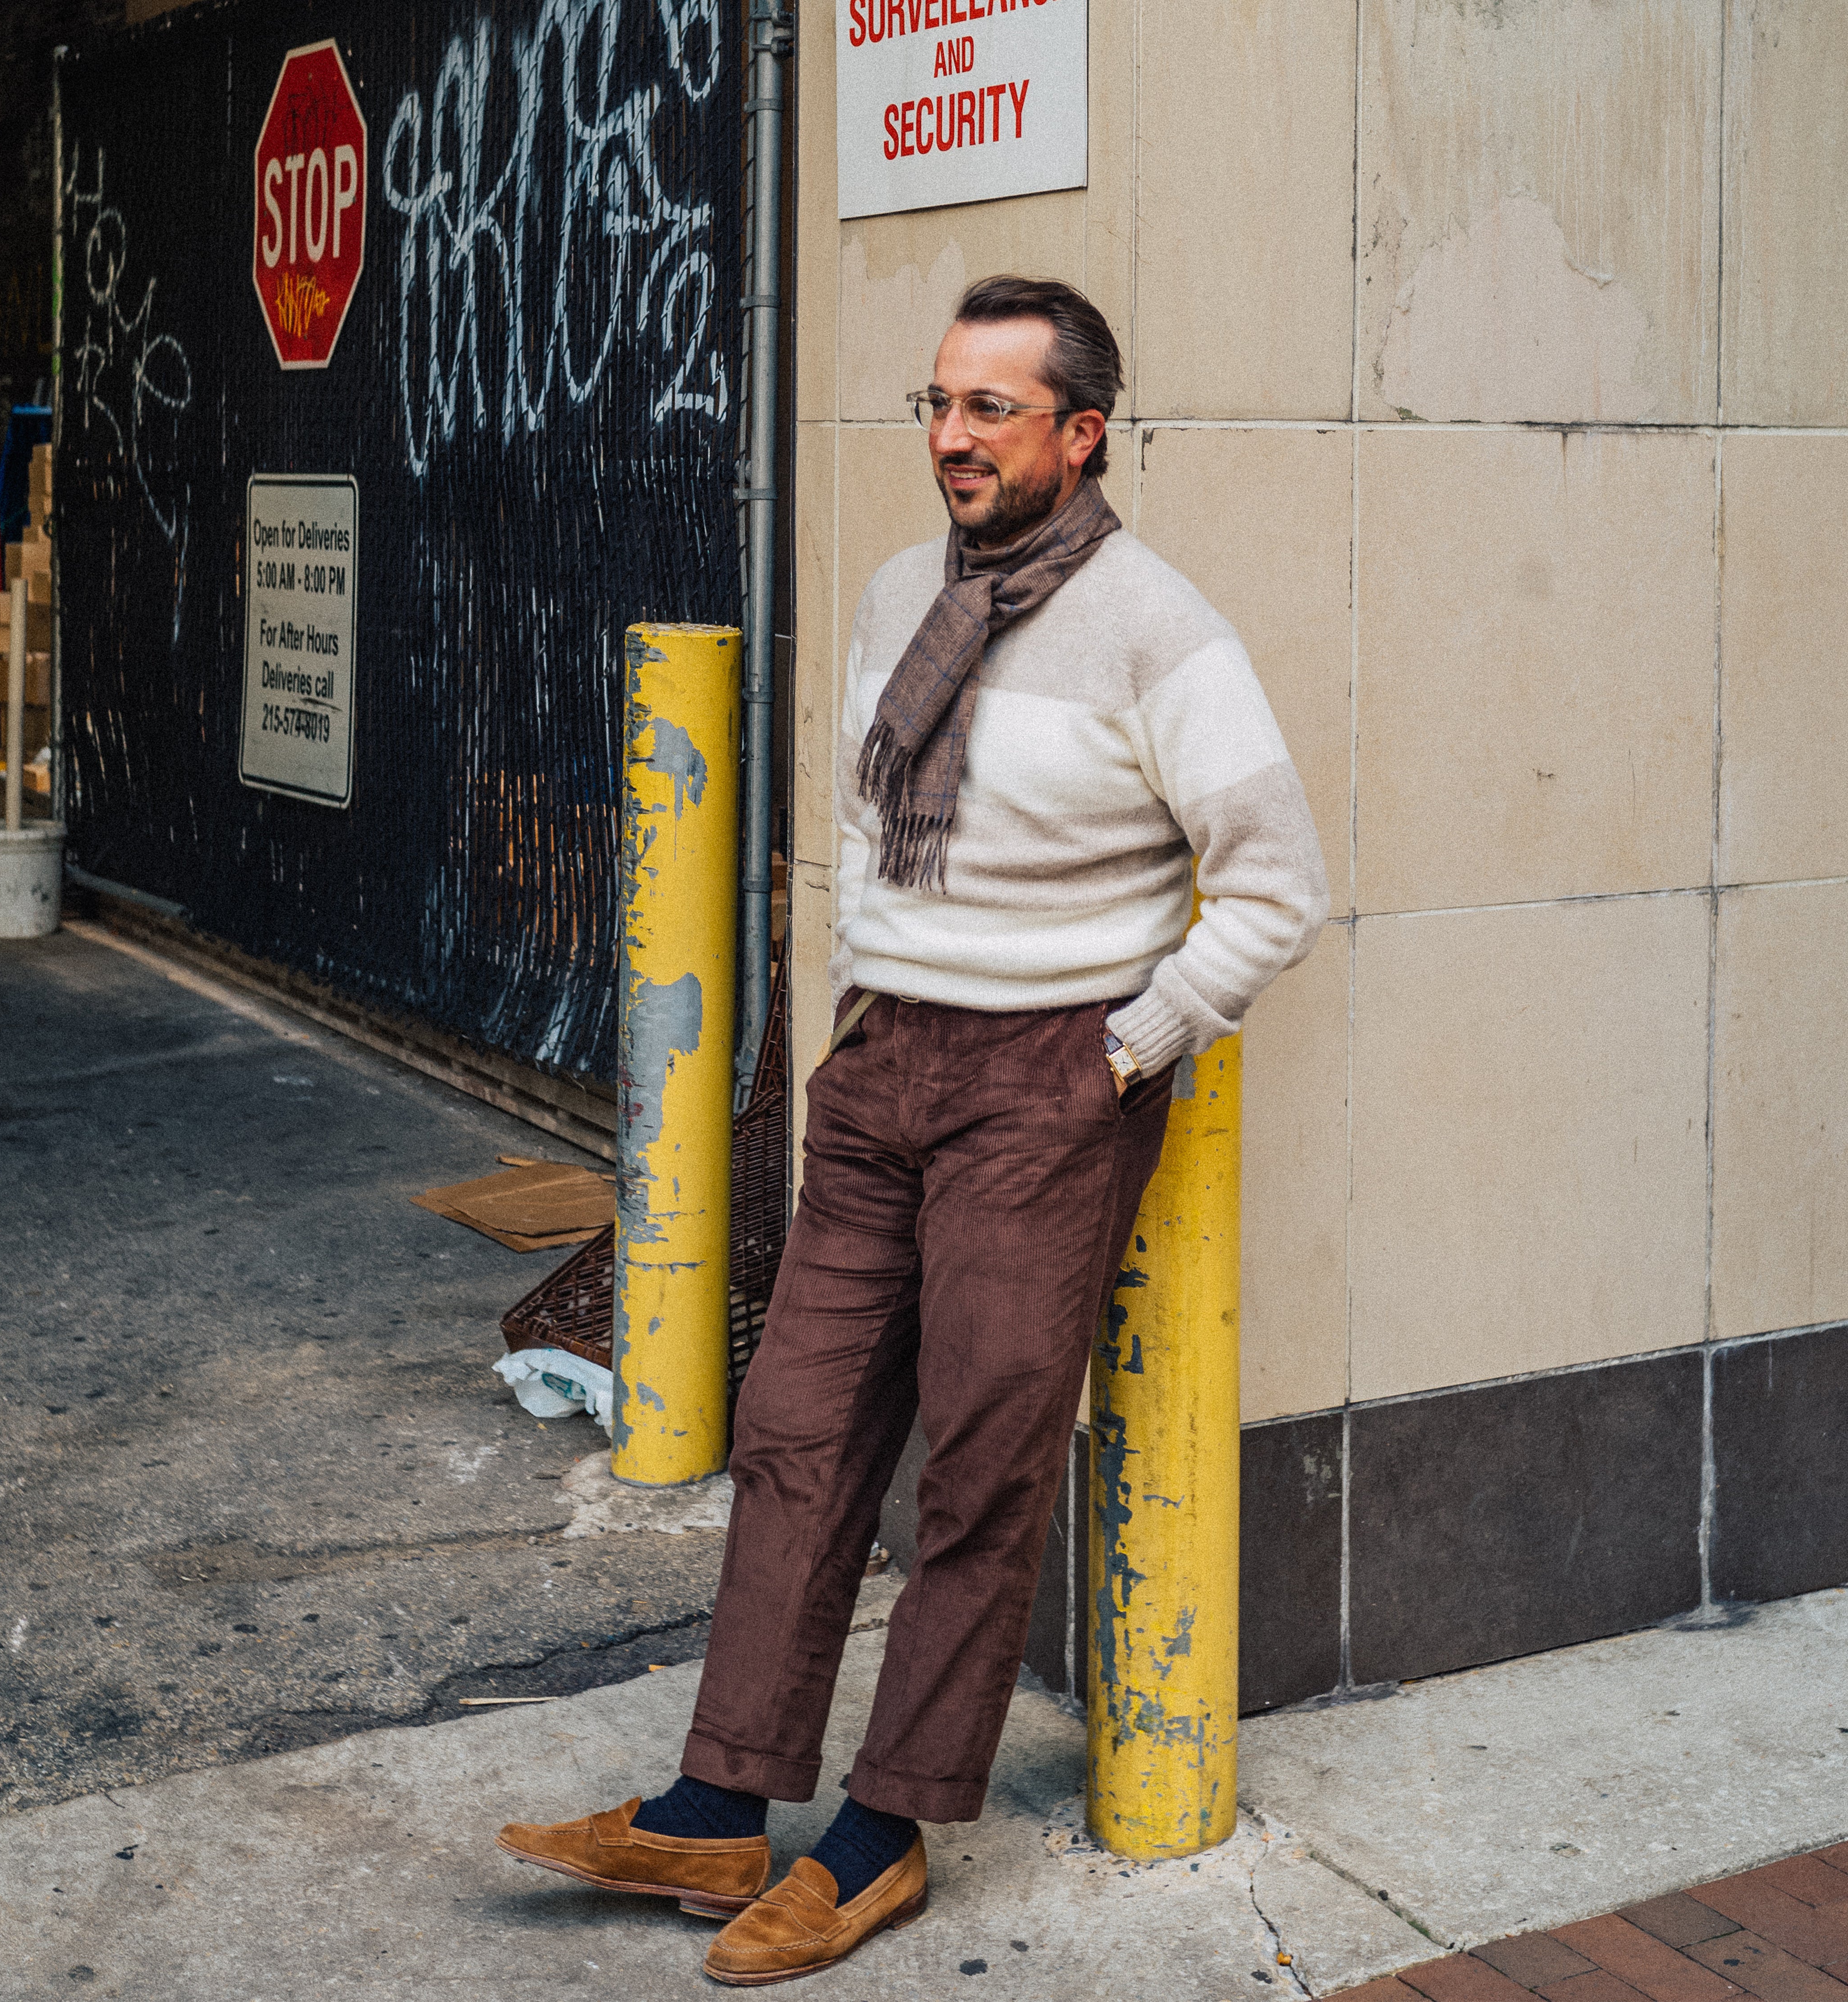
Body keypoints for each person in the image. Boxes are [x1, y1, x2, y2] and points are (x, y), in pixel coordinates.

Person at [496, 274, 1328, 1985]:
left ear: (1080, 435)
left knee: (981, 1461)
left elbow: (1275, 885)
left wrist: (1127, 1050)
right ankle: (719, 1807)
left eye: (988, 411)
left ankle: (884, 1836)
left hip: (1044, 1086)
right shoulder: (895, 593)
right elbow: (867, 850)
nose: (947, 438)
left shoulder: (1163, 628)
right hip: (883, 1076)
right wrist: (850, 1028)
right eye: (935, 405)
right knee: (797, 1432)